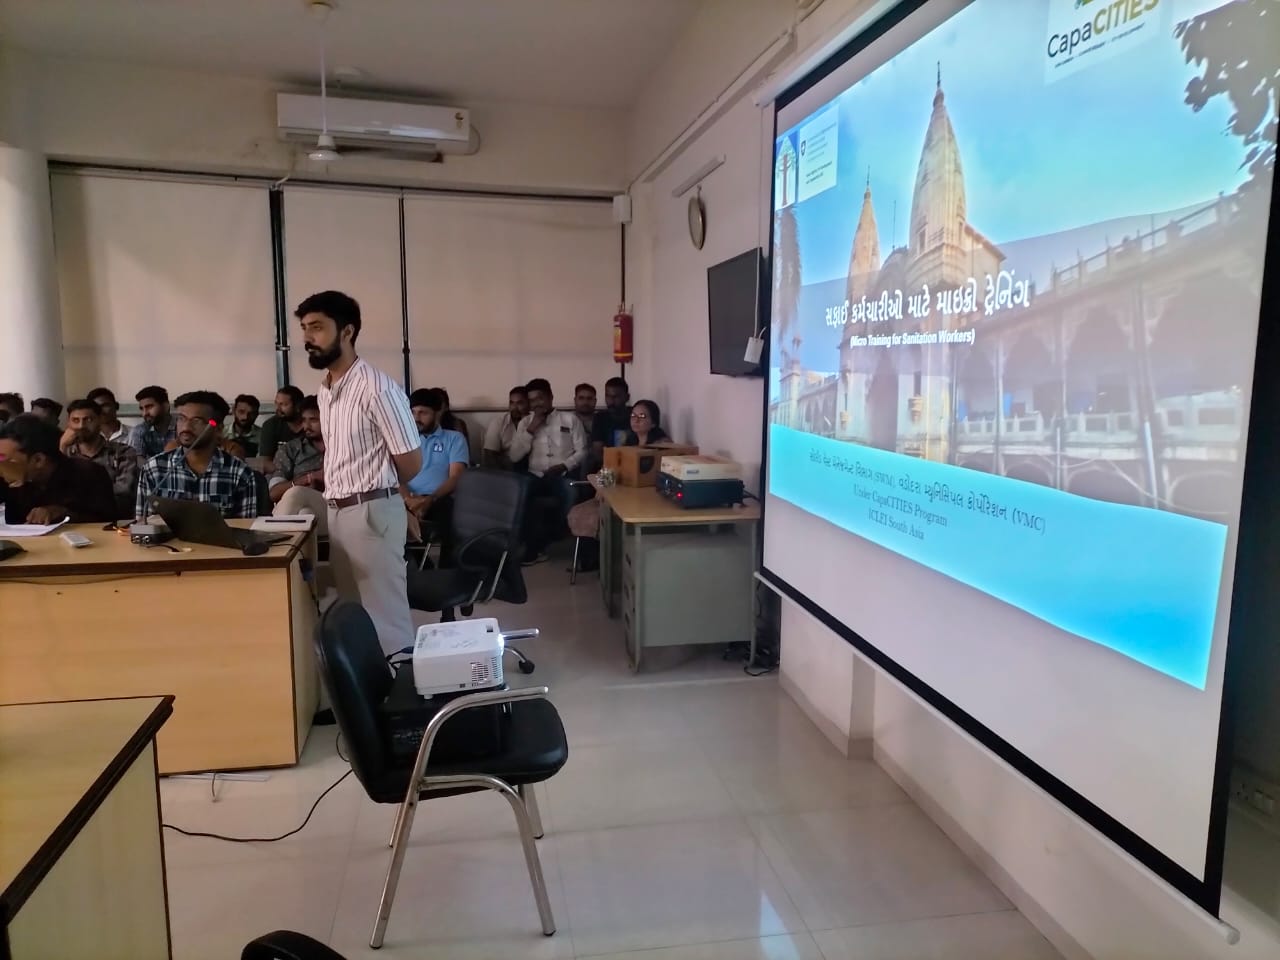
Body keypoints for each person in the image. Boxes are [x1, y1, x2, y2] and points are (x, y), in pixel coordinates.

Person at [297, 290, 422, 657]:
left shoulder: (376, 388)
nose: (308, 338)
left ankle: (401, 686)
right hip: (338, 511)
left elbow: (411, 463)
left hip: (371, 512)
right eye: (304, 329)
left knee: (386, 621)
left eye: (317, 327)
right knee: (354, 613)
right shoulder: (326, 390)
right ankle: (368, 688)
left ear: (347, 331)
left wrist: (383, 491)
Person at [134, 390, 258, 520]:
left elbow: (246, 528)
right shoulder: (154, 469)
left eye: (197, 421)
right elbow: (142, 526)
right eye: (181, 419)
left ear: (218, 428)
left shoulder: (239, 472)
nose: (186, 427)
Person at [508, 377, 587, 564]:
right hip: (534, 475)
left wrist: (564, 466)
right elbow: (514, 456)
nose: (536, 404)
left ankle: (553, 535)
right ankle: (528, 545)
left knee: (570, 491)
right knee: (519, 494)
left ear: (551, 397)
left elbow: (583, 450)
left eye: (540, 398)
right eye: (532, 400)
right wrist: (531, 430)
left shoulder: (570, 419)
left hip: (562, 474)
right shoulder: (525, 423)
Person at [0, 413, 116, 524]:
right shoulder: (9, 479)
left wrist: (62, 513)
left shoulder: (88, 474)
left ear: (38, 460)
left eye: (5, 460)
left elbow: (106, 520)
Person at [404, 388, 469, 562]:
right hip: (408, 498)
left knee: (451, 518)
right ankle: (422, 569)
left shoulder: (454, 438)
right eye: (413, 412)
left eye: (423, 413)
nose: (416, 418)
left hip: (440, 498)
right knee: (390, 518)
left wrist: (429, 500)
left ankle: (447, 570)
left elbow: (456, 477)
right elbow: (394, 476)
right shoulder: (404, 440)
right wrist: (408, 499)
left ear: (437, 413)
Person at [270, 395, 327, 575]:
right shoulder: (291, 449)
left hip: (337, 509)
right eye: (303, 420)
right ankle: (308, 581)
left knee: (297, 494)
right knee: (305, 513)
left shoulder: (344, 447)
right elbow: (274, 493)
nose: (306, 426)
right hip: (303, 512)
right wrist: (306, 479)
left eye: (314, 420)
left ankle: (273, 561)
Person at [60, 398, 140, 519]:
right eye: (75, 420)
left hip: (111, 520)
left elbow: (122, 495)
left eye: (88, 420)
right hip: (71, 522)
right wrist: (62, 447)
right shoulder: (65, 453)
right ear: (68, 423)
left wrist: (77, 502)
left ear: (100, 420)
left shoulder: (123, 452)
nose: (81, 426)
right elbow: (56, 493)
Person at [482, 385, 530, 470]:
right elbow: (489, 455)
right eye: (511, 403)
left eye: (519, 403)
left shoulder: (534, 421)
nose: (514, 407)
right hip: (505, 470)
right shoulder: (498, 422)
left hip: (530, 470)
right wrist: (502, 476)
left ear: (529, 404)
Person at [590, 376, 631, 470]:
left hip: (633, 465)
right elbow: (598, 453)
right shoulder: (600, 418)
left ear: (627, 397)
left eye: (616, 397)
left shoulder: (634, 415)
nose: (611, 401)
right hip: (608, 468)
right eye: (608, 396)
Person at [128, 385, 176, 458]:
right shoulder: (139, 431)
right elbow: (138, 461)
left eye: (149, 407)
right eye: (141, 409)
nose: (145, 413)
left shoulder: (182, 428)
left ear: (165, 406)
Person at [258, 385, 305, 459]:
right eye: (276, 403)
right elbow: (265, 460)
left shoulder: (312, 425)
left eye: (283, 404)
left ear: (298, 406)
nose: (278, 408)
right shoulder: (270, 425)